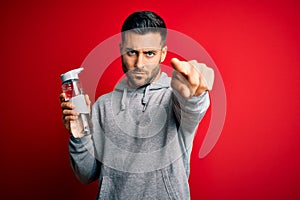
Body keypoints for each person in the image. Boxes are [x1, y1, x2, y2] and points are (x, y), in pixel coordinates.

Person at [60, 10, 213, 200]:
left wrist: (194, 94)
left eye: (149, 53)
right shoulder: (103, 106)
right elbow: (86, 174)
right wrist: (78, 134)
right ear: (121, 49)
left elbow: (193, 107)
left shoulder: (173, 97)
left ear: (162, 54)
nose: (139, 63)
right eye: (132, 52)